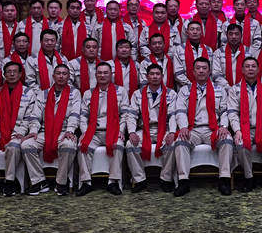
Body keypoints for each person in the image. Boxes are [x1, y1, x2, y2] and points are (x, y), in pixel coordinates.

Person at [0, 61, 39, 197]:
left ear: (20, 74)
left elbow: (29, 118)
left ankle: (10, 181)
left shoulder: (29, 93)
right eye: (8, 72)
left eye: (14, 72)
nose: (11, 74)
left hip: (17, 133)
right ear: (4, 74)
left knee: (13, 146)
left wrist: (20, 133)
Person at [173, 57, 233, 196]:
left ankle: (224, 179)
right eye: (198, 68)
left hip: (213, 129)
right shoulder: (184, 90)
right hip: (192, 129)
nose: (201, 71)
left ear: (209, 71)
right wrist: (183, 127)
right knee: (180, 141)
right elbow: (180, 111)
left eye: (204, 68)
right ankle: (183, 181)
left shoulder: (220, 90)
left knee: (227, 140)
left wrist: (223, 126)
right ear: (193, 72)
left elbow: (225, 111)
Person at [21, 64, 81, 196]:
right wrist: (33, 131)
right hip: (44, 131)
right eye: (58, 73)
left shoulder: (75, 93)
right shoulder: (43, 93)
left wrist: (70, 130)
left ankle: (61, 182)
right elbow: (35, 115)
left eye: (64, 74)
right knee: (26, 145)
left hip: (64, 131)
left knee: (69, 145)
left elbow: (75, 114)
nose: (61, 76)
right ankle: (39, 181)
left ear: (69, 77)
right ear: (53, 76)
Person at [226, 57, 262, 191]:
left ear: (258, 70)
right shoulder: (235, 89)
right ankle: (248, 178)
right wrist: (237, 130)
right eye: (247, 66)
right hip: (243, 129)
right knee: (241, 144)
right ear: (242, 70)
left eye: (253, 66)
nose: (250, 69)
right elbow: (232, 113)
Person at [77, 62, 129, 196]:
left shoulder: (121, 91)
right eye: (99, 73)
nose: (102, 75)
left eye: (106, 73)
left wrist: (121, 130)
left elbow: (124, 114)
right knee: (82, 146)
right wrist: (84, 132)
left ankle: (113, 182)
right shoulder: (88, 93)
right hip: (94, 132)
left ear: (111, 75)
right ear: (95, 75)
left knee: (118, 145)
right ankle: (86, 183)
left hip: (113, 130)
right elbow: (83, 116)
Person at [124, 63, 178, 192]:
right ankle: (139, 180)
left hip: (164, 129)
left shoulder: (171, 93)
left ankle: (166, 179)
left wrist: (172, 132)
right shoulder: (138, 94)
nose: (155, 77)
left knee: (173, 143)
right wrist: (131, 132)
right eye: (152, 74)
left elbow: (173, 115)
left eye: (157, 74)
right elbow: (132, 115)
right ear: (147, 77)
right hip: (144, 129)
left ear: (162, 76)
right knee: (130, 144)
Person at [172, 21, 213, 88]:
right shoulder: (179, 49)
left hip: (206, 88)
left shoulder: (208, 50)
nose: (195, 32)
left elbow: (210, 72)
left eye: (198, 29)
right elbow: (178, 73)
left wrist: (203, 86)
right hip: (185, 89)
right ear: (187, 32)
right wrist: (192, 86)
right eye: (192, 29)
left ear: (201, 33)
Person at [211, 23, 253, 88]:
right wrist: (228, 88)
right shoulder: (218, 53)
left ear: (241, 35)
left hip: (246, 89)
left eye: (236, 34)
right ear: (226, 35)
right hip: (224, 90)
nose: (234, 37)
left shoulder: (250, 52)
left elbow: (252, 73)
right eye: (231, 34)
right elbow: (216, 74)